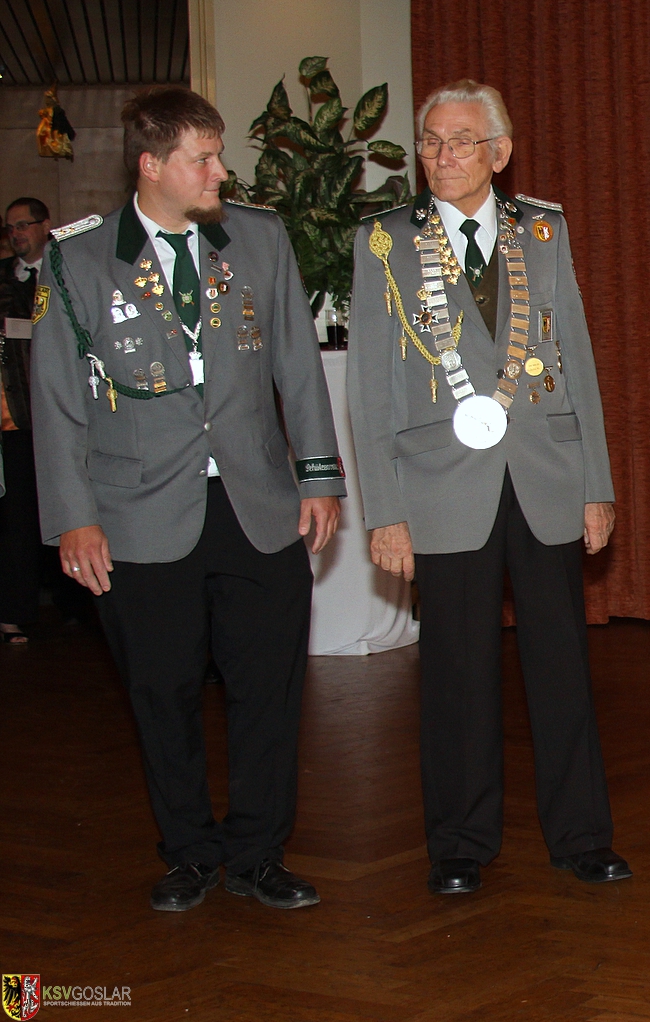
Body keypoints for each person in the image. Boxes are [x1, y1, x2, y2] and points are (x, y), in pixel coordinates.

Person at [31, 87, 346, 911]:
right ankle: (189, 854)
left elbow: (297, 365)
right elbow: (57, 400)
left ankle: (259, 853)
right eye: (202, 158)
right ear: (151, 164)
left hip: (256, 504)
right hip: (136, 514)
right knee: (161, 691)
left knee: (267, 690)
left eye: (218, 154)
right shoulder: (79, 258)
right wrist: (73, 517)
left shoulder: (260, 238)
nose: (219, 171)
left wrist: (318, 476)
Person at [346, 80, 629, 895]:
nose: (442, 155)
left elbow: (576, 354)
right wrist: (385, 511)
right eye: (432, 140)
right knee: (457, 671)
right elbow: (369, 387)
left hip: (545, 474)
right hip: (440, 485)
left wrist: (596, 483)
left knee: (561, 665)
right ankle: (460, 844)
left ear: (499, 153)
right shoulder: (384, 241)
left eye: (461, 140)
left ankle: (582, 836)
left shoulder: (543, 229)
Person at [1, 198, 50, 644]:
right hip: (17, 415)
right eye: (11, 228)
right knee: (17, 518)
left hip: (63, 413)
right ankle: (15, 612)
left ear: (44, 226)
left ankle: (80, 608)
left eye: (23, 225)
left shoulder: (65, 267)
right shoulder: (3, 277)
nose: (17, 234)